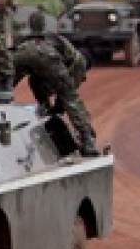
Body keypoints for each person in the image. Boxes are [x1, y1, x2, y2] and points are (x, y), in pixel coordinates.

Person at [13, 11, 98, 156]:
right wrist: (60, 104)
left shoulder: (24, 38)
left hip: (22, 54)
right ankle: (87, 139)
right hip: (47, 57)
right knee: (70, 96)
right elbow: (68, 88)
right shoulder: (63, 45)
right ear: (44, 25)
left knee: (10, 86)